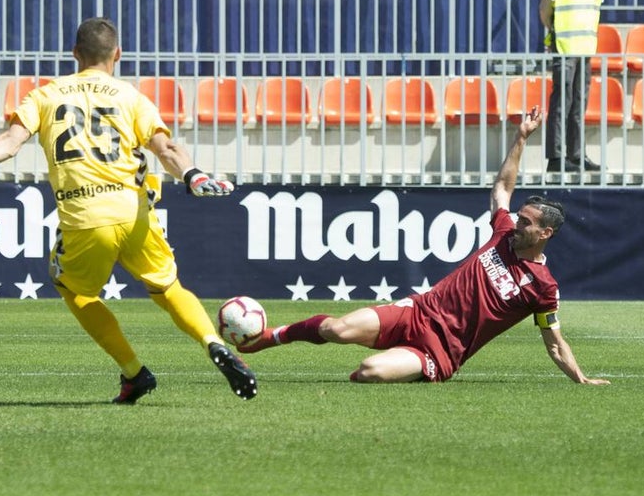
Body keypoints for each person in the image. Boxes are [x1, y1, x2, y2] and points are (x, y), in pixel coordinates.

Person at [0, 17, 257, 404]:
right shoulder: (131, 97)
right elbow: (167, 150)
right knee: (168, 287)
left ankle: (135, 372)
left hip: (84, 216)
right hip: (134, 211)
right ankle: (211, 342)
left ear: (74, 54)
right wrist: (193, 175)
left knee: (74, 290)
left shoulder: (45, 95)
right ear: (117, 54)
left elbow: (11, 140)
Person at [240, 107, 609, 386]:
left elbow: (555, 341)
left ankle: (402, 360)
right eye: (519, 217)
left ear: (545, 234)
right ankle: (269, 338)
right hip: (417, 311)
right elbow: (502, 189)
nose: (517, 222)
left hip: (441, 350)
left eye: (526, 222)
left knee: (368, 372)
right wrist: (522, 138)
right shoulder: (503, 232)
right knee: (336, 329)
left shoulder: (543, 287)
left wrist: (580, 378)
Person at [540, 0, 604, 173]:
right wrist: (555, 34)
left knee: (579, 103)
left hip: (586, 48)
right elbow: (545, 7)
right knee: (561, 102)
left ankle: (576, 155)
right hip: (564, 46)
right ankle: (556, 158)